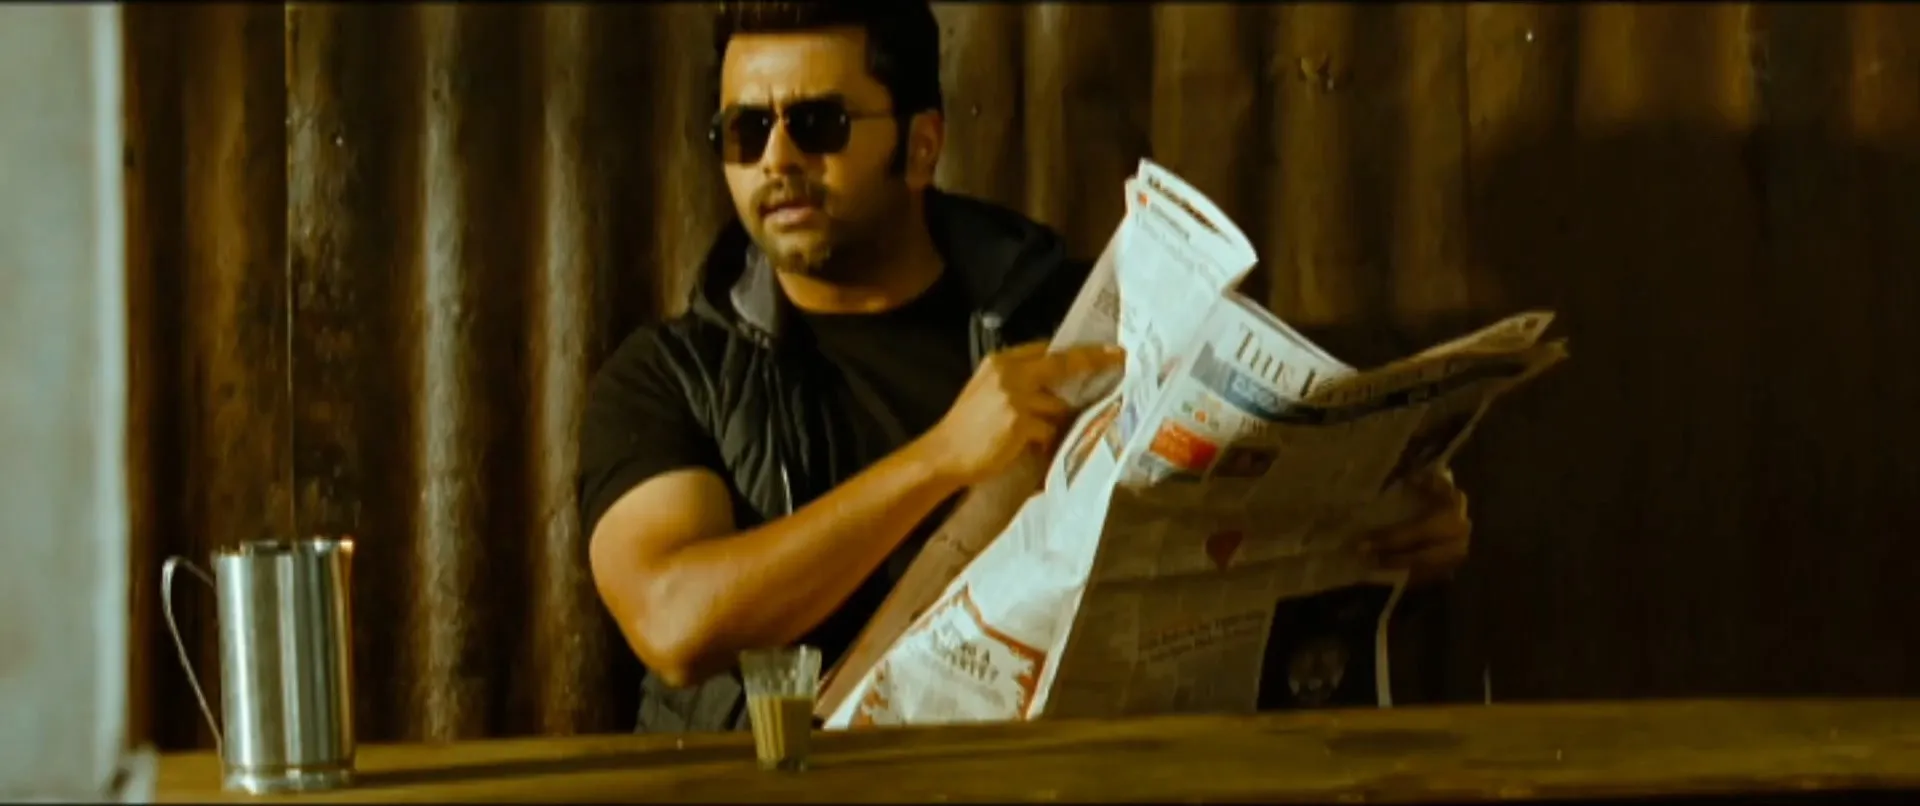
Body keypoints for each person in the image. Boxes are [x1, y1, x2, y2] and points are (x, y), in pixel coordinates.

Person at [576, 0, 1472, 734]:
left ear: (921, 145)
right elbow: (674, 622)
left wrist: (1391, 536)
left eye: (819, 124)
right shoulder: (670, 375)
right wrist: (942, 458)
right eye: (745, 131)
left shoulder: (1078, 322)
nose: (777, 159)